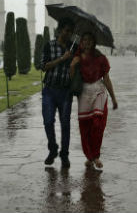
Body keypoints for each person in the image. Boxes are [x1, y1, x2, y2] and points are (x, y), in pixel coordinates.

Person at [70, 32, 118, 169]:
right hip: (84, 94)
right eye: (84, 40)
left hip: (99, 92)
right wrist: (72, 65)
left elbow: (107, 79)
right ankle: (90, 156)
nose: (87, 42)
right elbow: (71, 78)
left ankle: (96, 156)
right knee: (85, 128)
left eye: (90, 40)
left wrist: (114, 98)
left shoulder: (101, 58)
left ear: (94, 42)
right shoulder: (77, 58)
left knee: (97, 125)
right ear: (81, 42)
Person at [40, 18, 78, 167]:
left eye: (71, 32)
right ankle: (53, 148)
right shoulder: (49, 46)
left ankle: (64, 154)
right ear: (60, 30)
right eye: (66, 30)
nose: (68, 34)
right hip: (50, 89)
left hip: (66, 91)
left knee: (65, 125)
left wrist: (74, 63)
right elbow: (43, 66)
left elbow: (76, 70)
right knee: (48, 121)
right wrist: (63, 58)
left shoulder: (73, 48)